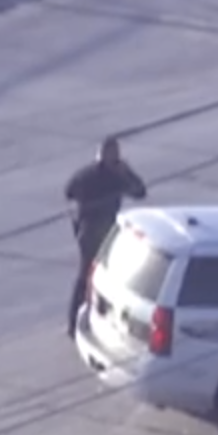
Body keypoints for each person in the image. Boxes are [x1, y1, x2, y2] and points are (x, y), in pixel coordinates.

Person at [63, 136, 148, 335]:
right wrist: (81, 215)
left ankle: (94, 316)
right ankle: (74, 321)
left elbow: (140, 192)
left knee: (106, 277)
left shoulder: (118, 174)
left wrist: (127, 173)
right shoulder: (89, 176)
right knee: (87, 276)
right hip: (92, 231)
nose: (114, 158)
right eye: (111, 154)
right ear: (102, 155)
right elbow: (70, 193)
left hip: (109, 231)